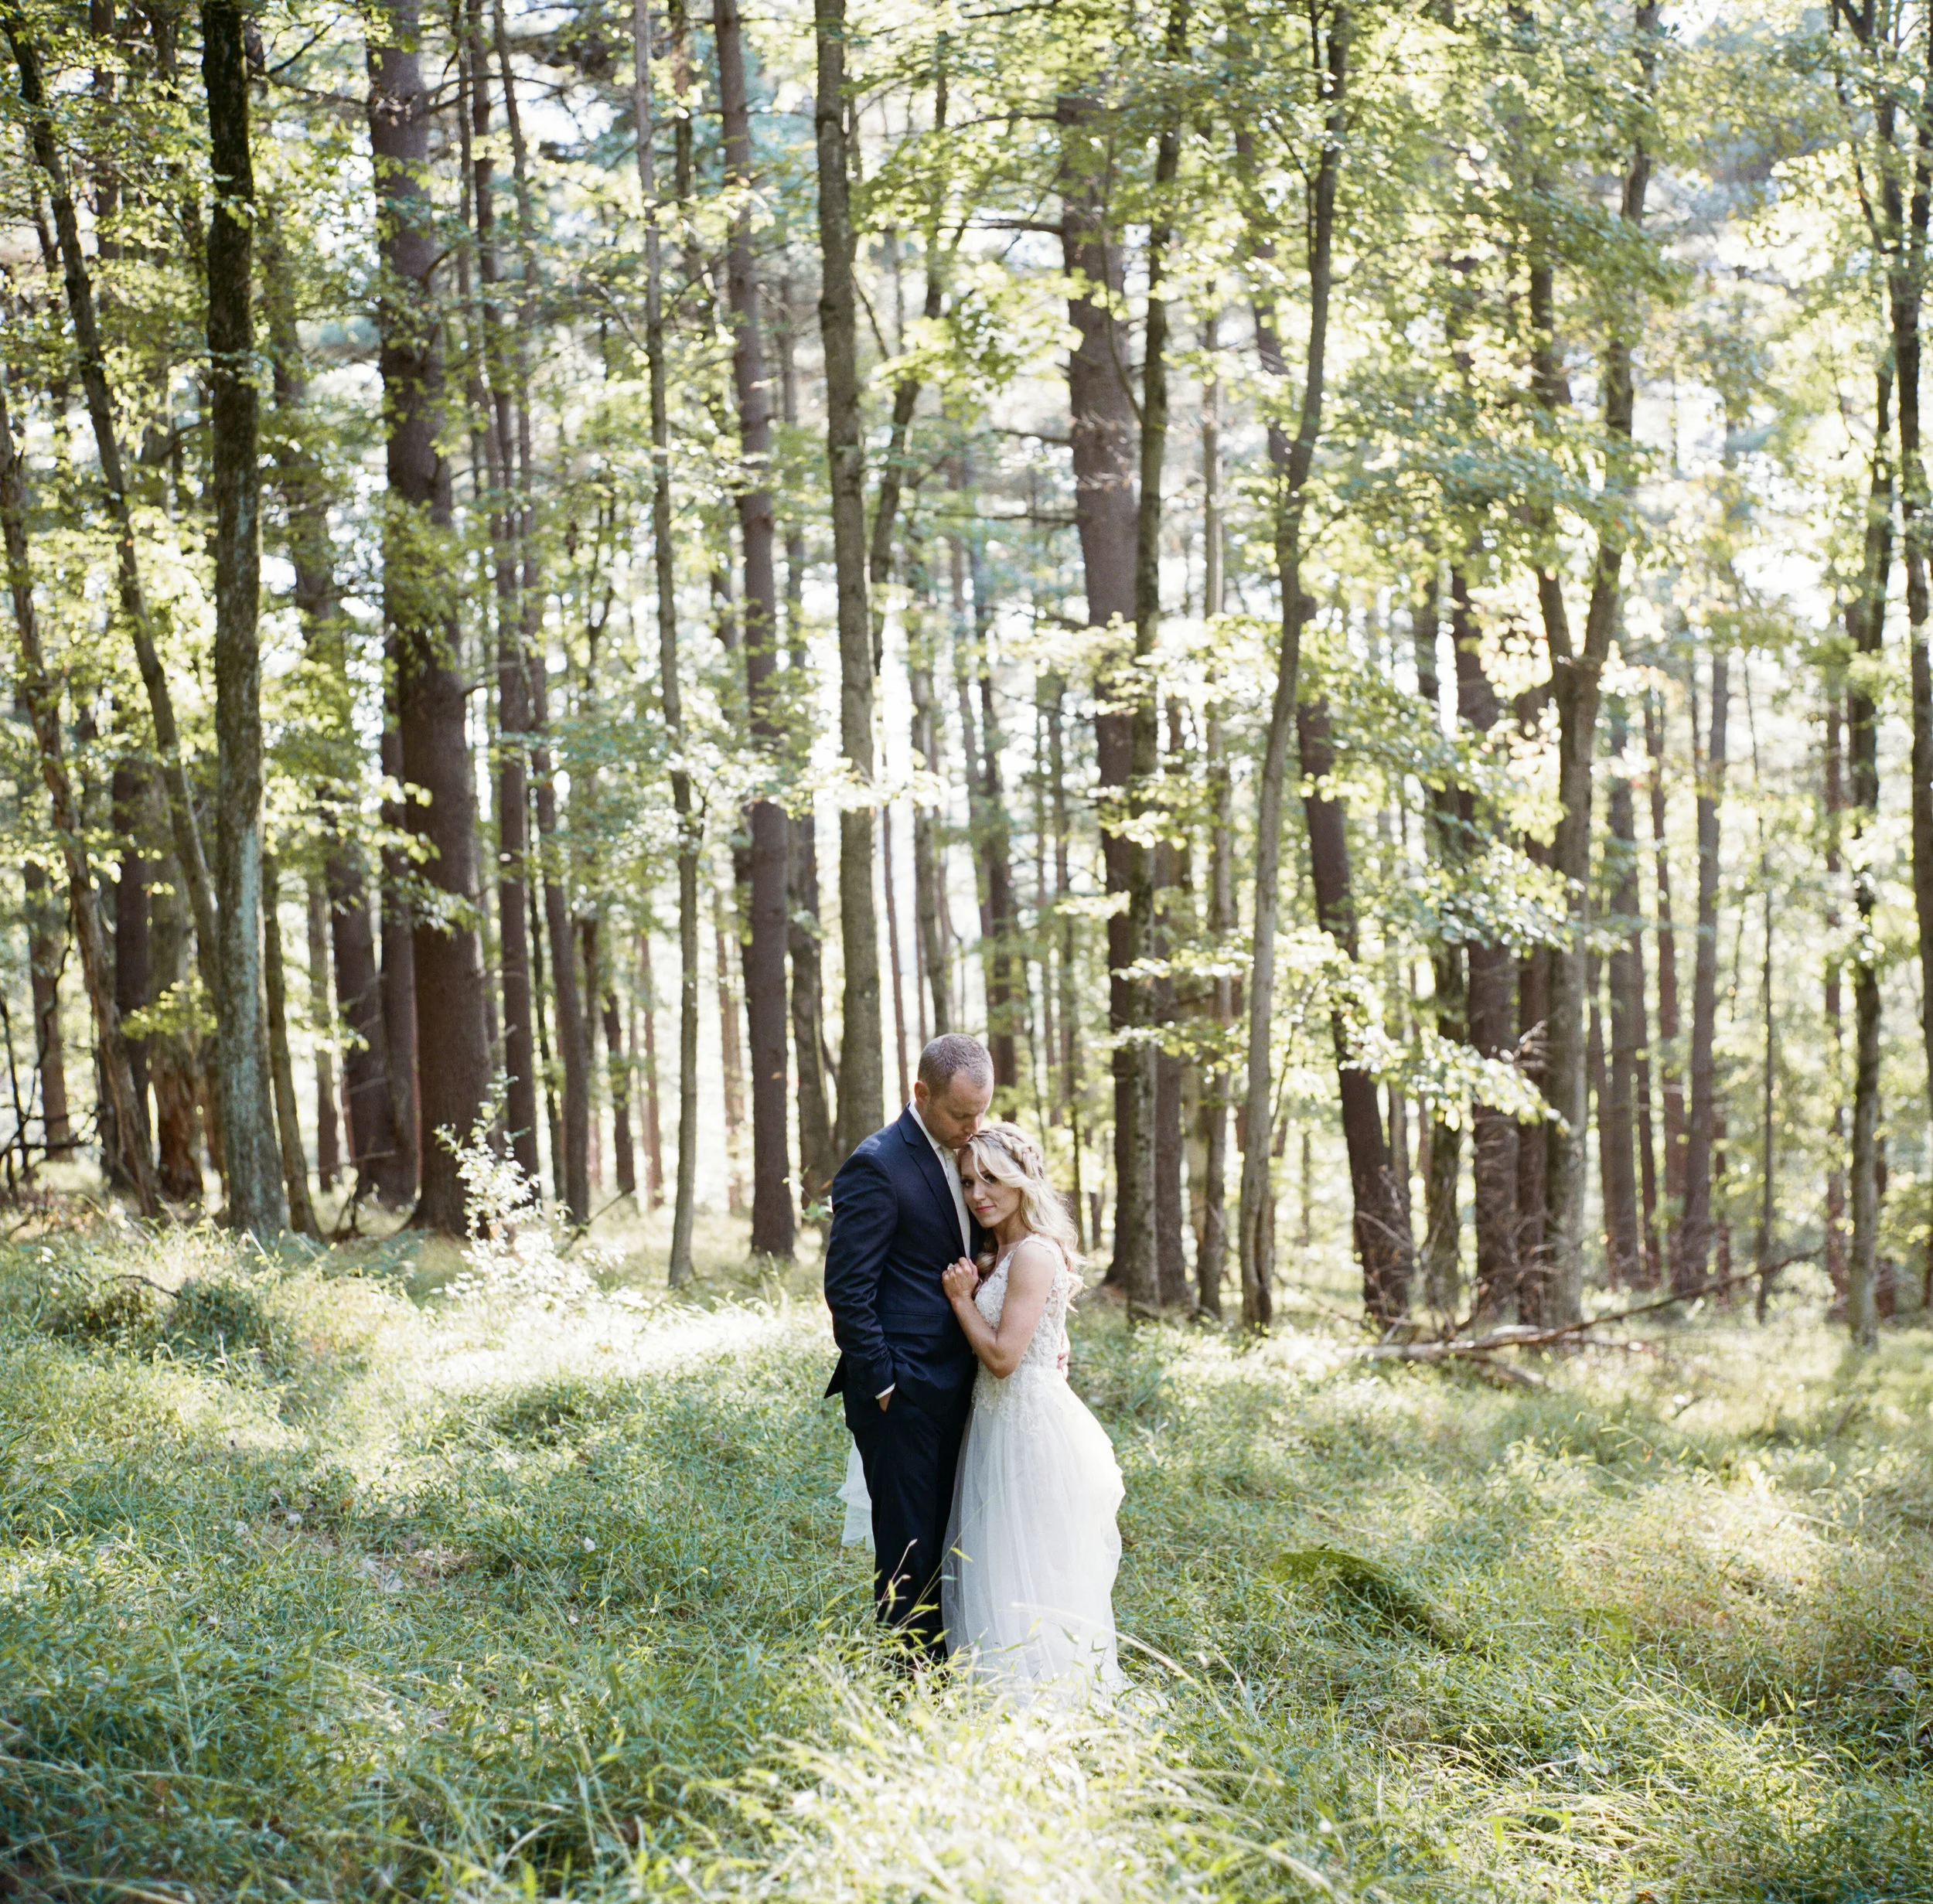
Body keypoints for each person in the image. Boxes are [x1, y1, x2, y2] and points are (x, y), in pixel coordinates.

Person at [940, 1121, 1123, 1703]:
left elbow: (1001, 1357)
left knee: (1034, 1560)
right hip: (996, 1423)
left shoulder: (1034, 1255)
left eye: (992, 1179)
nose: (977, 1194)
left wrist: (962, 1300)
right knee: (997, 1557)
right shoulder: (1000, 1252)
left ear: (1023, 1181)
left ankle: (1047, 1695)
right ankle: (999, 1690)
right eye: (969, 1180)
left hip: (1028, 1426)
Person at [823, 1033, 994, 1656]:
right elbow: (848, 1289)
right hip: (903, 1395)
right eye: (960, 1113)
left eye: (982, 1110)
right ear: (920, 1094)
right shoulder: (878, 1164)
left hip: (962, 1387)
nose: (974, 1126)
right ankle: (907, 1690)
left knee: (953, 1537)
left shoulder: (975, 1156)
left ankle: (946, 1673)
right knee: (908, 1550)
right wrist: (885, 1382)